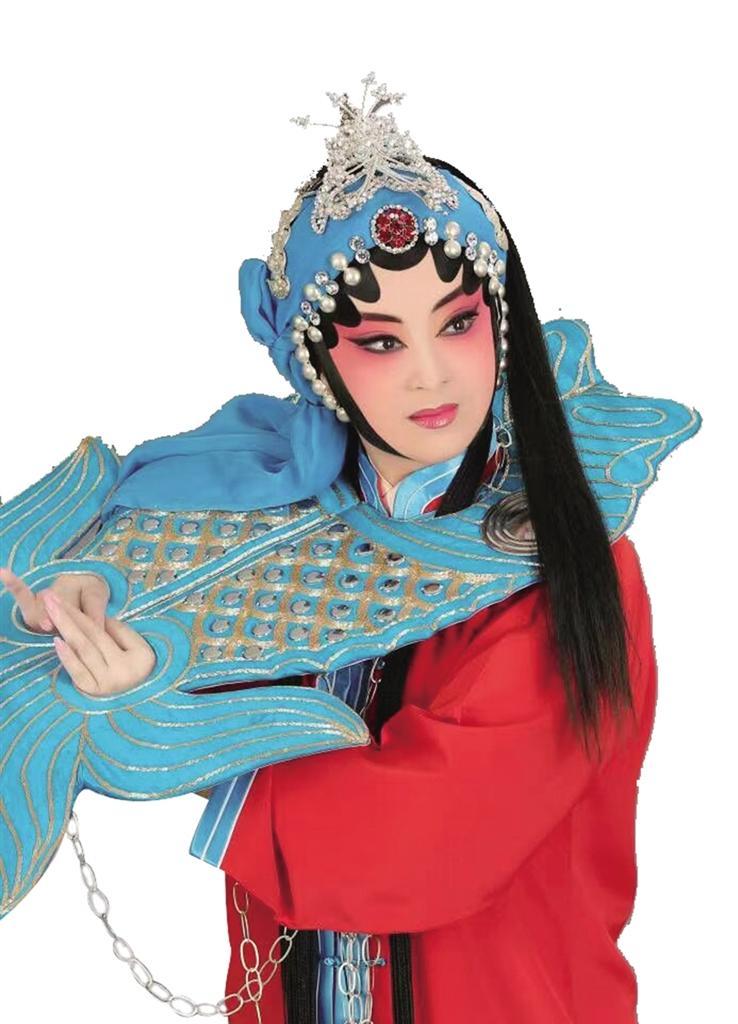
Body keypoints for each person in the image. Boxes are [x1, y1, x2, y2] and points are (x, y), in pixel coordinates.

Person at [0, 74, 701, 1022]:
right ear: (315, 362)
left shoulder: (569, 564)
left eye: (459, 322)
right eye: (380, 342)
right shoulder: (274, 505)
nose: (430, 374)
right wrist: (92, 590)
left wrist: (179, 737)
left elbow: (435, 837)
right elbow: (149, 524)